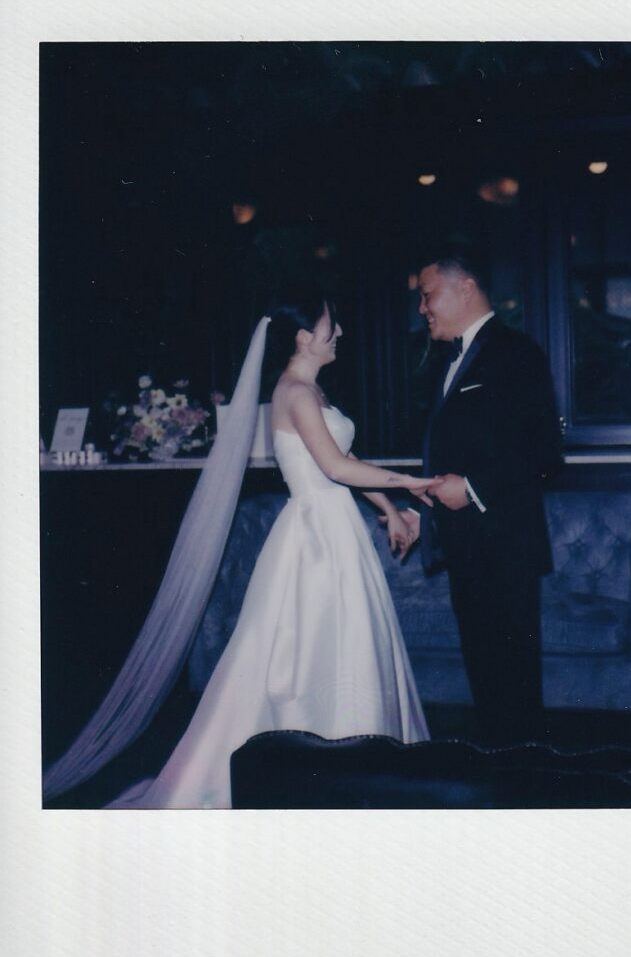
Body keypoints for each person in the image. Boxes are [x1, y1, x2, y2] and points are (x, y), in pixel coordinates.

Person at [48, 292, 437, 809]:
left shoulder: (312, 392)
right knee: (307, 649)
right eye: (331, 326)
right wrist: (414, 484)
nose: (339, 334)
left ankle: (360, 770)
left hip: (335, 527)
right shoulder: (295, 390)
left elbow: (346, 457)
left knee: (346, 641)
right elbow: (336, 469)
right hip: (315, 538)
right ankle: (320, 772)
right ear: (304, 338)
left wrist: (387, 508)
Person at [417, 245, 561, 746]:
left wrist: (474, 488)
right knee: (484, 666)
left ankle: (524, 779)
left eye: (427, 295)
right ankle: (500, 771)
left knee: (513, 675)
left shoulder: (516, 352)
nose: (422, 308)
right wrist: (428, 515)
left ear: (465, 289)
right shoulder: (449, 360)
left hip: (506, 544)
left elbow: (543, 449)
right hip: (467, 544)